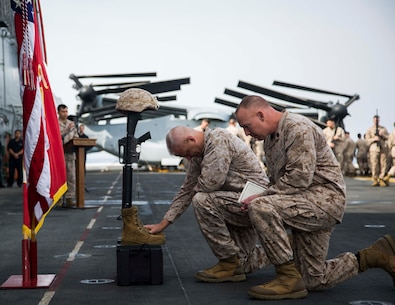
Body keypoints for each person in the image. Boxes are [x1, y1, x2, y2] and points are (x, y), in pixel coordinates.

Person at [235, 95, 395, 300]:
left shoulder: (297, 128)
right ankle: (374, 256)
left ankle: (287, 277)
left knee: (261, 207)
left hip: (323, 201)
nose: (246, 133)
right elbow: (277, 180)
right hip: (301, 203)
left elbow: (299, 178)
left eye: (247, 126)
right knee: (314, 280)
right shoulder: (269, 140)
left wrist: (261, 197)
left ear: (261, 114)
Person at [145, 125, 270, 280]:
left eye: (188, 153)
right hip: (236, 202)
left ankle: (228, 262)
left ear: (191, 139)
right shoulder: (200, 152)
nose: (189, 158)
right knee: (243, 264)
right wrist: (163, 223)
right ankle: (289, 246)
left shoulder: (218, 140)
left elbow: (211, 183)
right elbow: (187, 187)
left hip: (255, 203)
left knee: (202, 200)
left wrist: (194, 189)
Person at [58, 104, 79, 207]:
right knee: (60, 178)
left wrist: (77, 139)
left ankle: (70, 197)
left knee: (71, 177)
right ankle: (59, 199)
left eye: (66, 111)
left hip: (70, 154)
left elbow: (75, 136)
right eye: (63, 112)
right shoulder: (55, 123)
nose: (65, 113)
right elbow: (57, 136)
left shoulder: (72, 124)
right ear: (59, 112)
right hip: (59, 155)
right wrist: (67, 130)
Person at [365, 114, 390, 186]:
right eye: (375, 119)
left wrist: (382, 135)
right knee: (374, 164)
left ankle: (381, 178)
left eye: (378, 119)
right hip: (374, 148)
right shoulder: (369, 129)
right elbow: (367, 140)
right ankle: (375, 179)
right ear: (373, 120)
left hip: (382, 148)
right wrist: (374, 139)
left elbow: (388, 137)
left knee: (383, 164)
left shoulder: (383, 129)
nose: (376, 121)